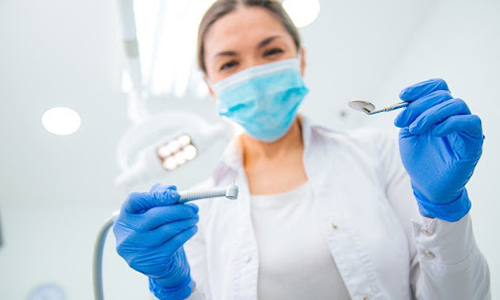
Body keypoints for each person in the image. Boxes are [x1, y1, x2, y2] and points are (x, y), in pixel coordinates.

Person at [112, 0, 491, 299]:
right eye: (229, 63)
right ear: (211, 85)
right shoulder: (198, 209)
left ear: (301, 59)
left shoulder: (379, 153)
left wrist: (444, 212)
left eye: (271, 51)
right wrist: (173, 289)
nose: (254, 72)